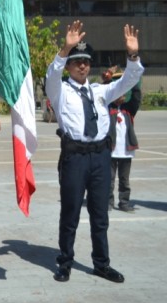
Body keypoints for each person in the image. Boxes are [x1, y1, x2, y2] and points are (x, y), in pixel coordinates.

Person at [46, 21, 143, 284]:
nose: (82, 66)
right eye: (76, 61)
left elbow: (130, 80)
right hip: (74, 157)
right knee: (70, 213)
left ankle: (101, 264)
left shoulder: (101, 91)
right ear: (69, 65)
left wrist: (132, 55)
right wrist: (65, 48)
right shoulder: (60, 91)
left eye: (86, 61)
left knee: (100, 215)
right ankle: (64, 262)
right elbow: (51, 75)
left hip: (101, 157)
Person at [101, 66, 142, 213]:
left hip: (126, 152)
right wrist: (109, 79)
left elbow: (136, 97)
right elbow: (104, 94)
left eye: (124, 94)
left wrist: (134, 80)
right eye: (119, 94)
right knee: (109, 180)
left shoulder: (129, 110)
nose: (122, 97)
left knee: (124, 180)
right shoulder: (107, 107)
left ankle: (124, 202)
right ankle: (108, 202)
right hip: (110, 151)